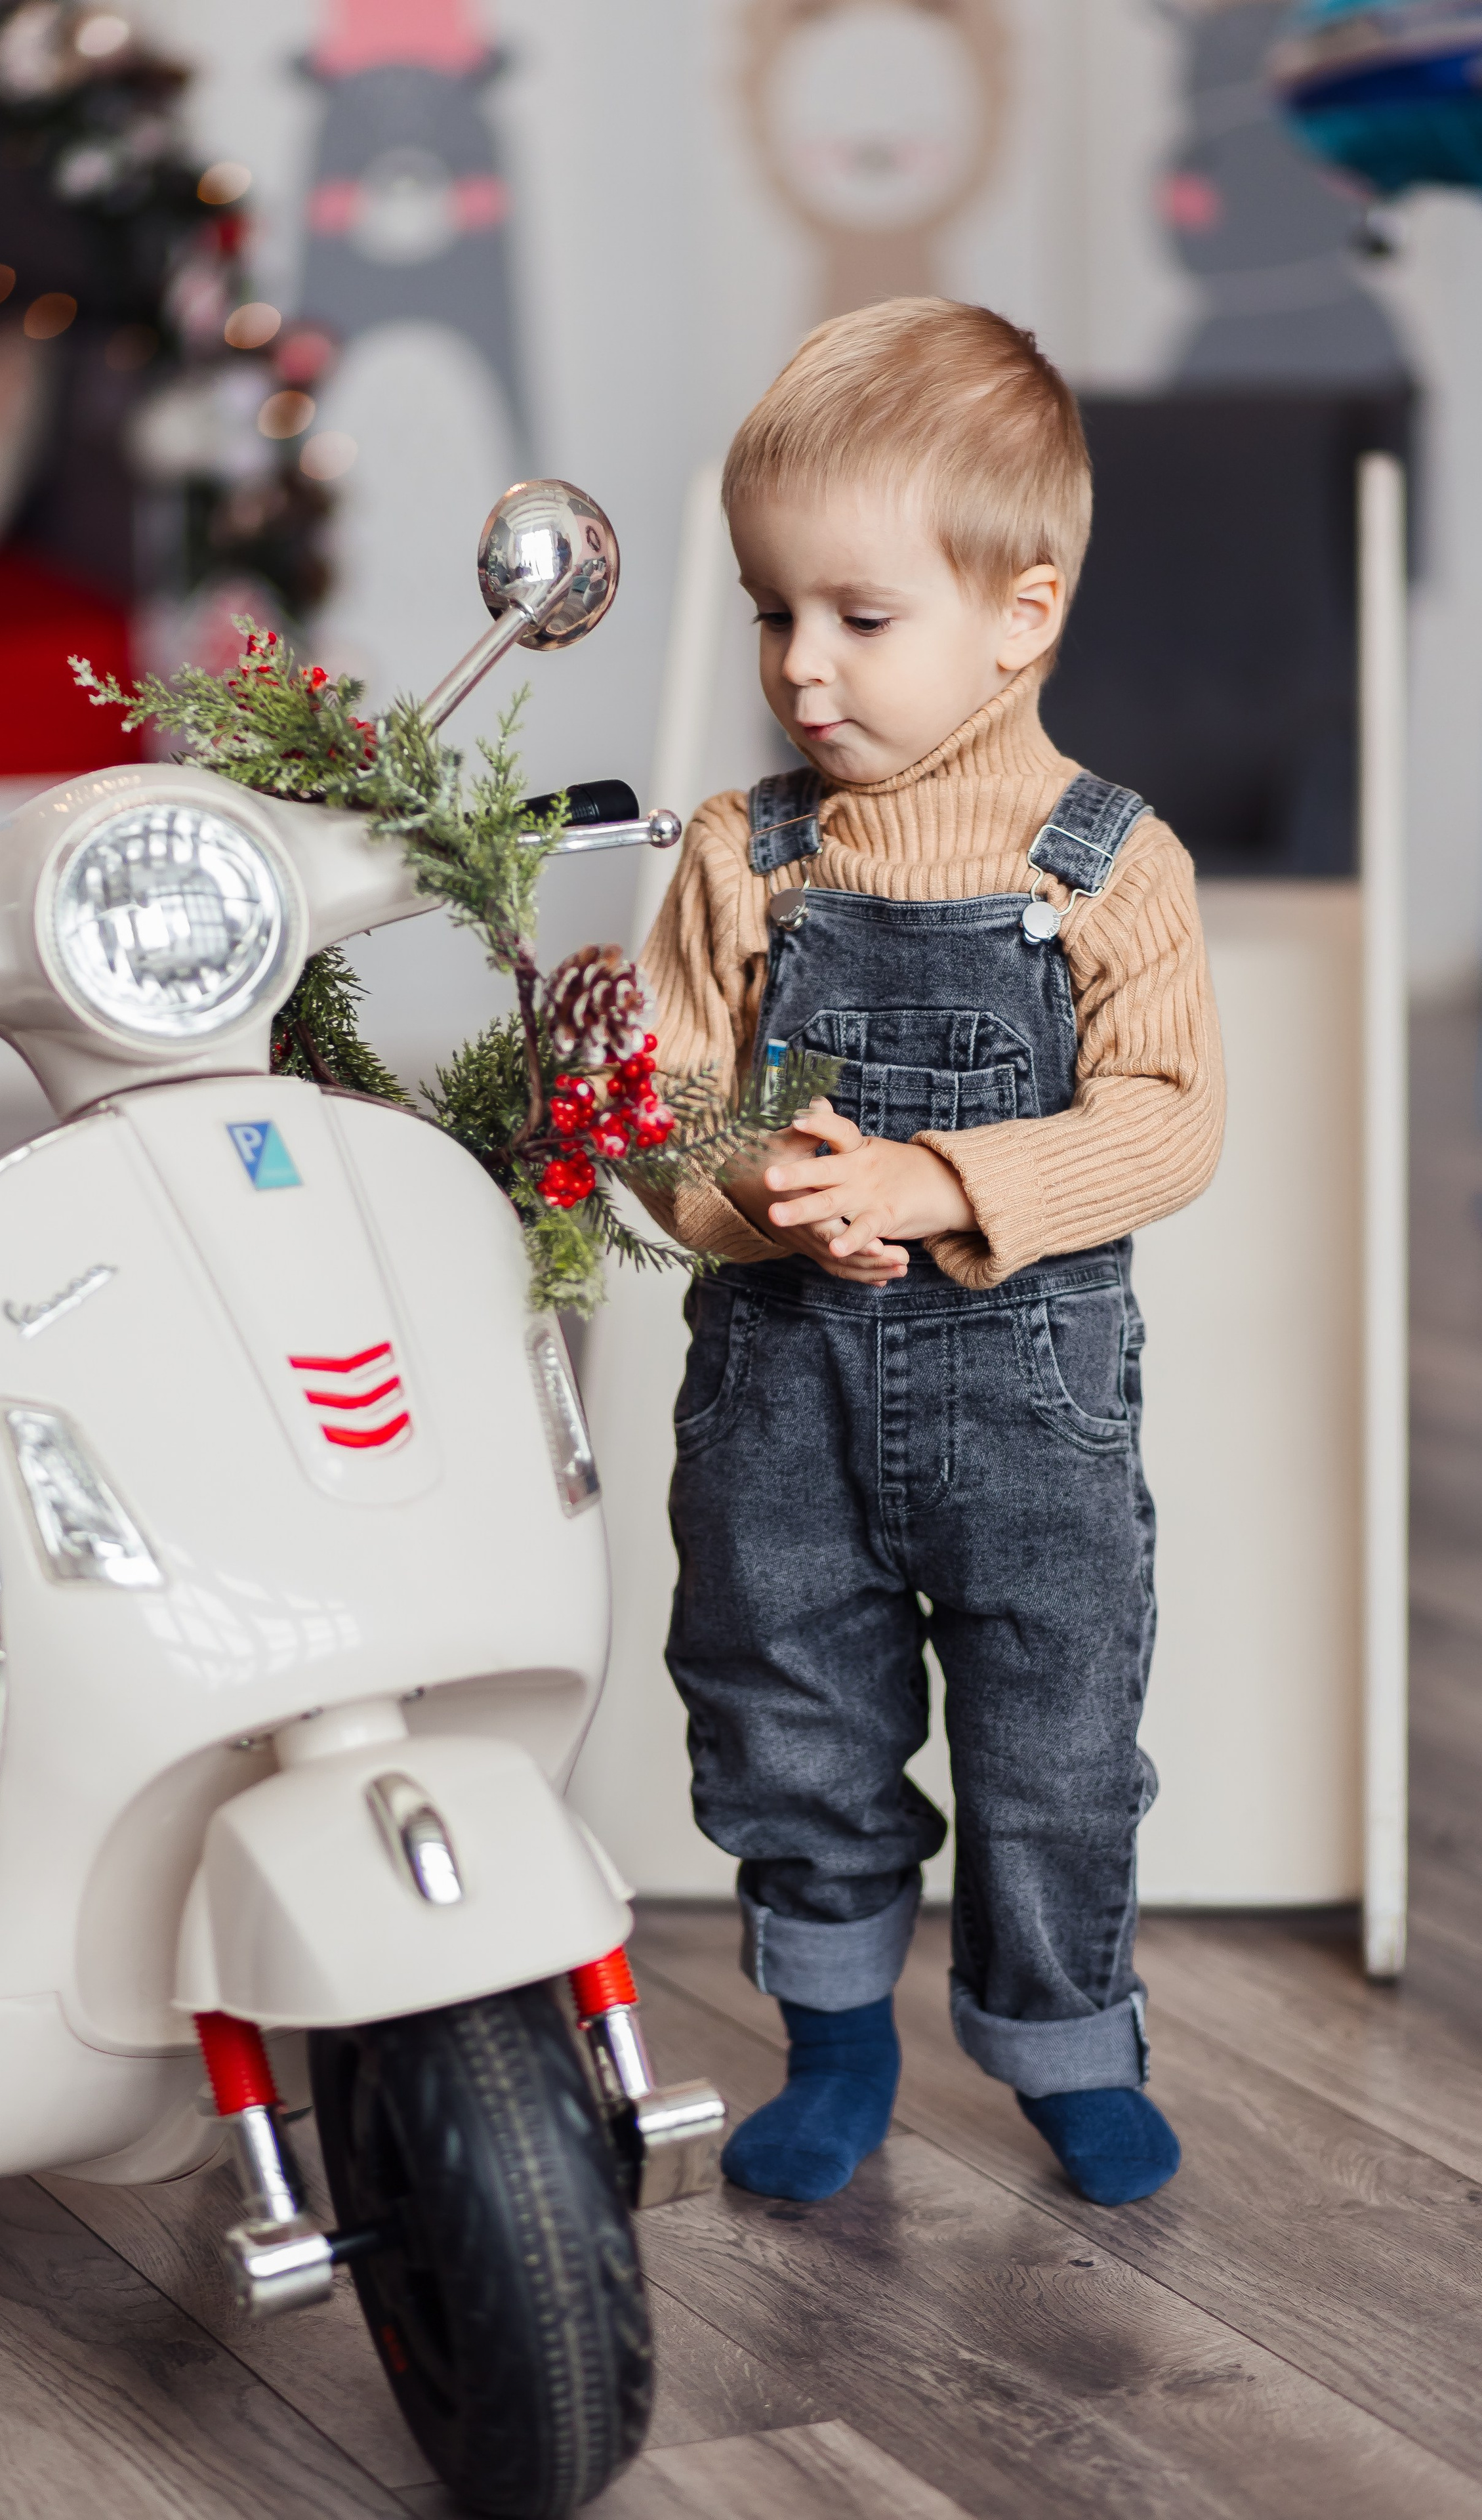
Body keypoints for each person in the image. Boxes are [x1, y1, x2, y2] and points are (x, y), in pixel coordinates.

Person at [638, 298, 1224, 2208]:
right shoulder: (747, 858)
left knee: (1056, 1744)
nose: (803, 669)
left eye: (859, 618)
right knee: (787, 1715)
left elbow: (1167, 1120)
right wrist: (753, 1191)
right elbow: (666, 1124)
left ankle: (1066, 2045)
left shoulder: (1107, 868)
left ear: (1021, 612)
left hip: (1028, 1413)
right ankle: (832, 2046)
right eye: (770, 612)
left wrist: (939, 1182)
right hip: (778, 1404)